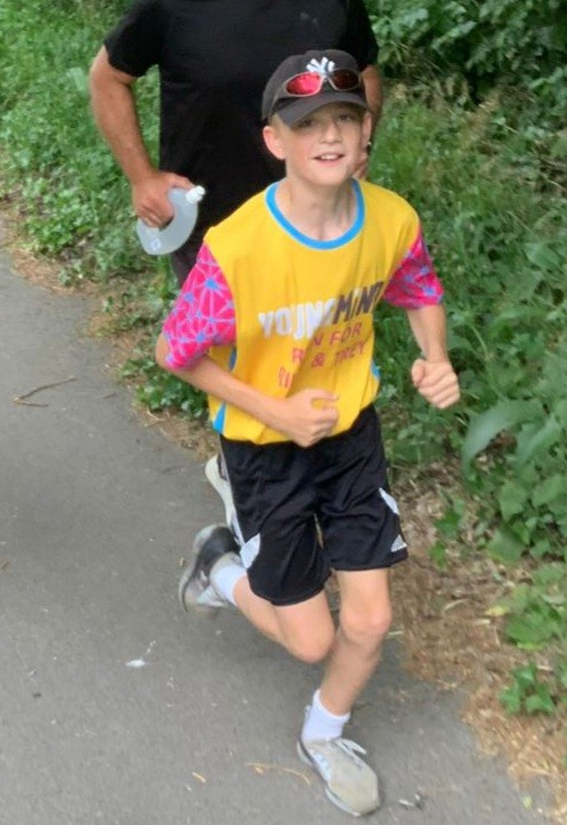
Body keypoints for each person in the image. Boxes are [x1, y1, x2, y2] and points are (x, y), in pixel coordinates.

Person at [157, 50, 459, 818]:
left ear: (365, 136)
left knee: (371, 619)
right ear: (275, 141)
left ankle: (324, 733)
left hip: (351, 435)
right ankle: (220, 567)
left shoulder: (390, 219)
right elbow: (176, 351)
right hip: (265, 449)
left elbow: (418, 285)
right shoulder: (238, 247)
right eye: (309, 123)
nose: (330, 136)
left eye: (345, 119)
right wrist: (275, 411)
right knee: (311, 641)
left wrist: (434, 355)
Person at [89, 0, 384, 288]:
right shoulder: (175, 3)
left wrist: (360, 146)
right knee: (223, 362)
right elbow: (107, 77)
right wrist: (142, 178)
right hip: (215, 239)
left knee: (316, 358)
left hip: (320, 227)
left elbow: (363, 71)